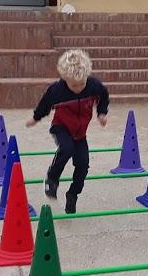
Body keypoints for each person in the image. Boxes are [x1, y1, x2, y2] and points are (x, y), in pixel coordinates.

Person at [26, 49, 110, 215]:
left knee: (83, 164)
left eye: (81, 84)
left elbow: (104, 97)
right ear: (65, 79)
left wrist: (102, 113)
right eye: (73, 85)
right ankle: (52, 180)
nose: (78, 89)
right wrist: (35, 118)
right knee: (67, 149)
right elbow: (45, 104)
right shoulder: (57, 90)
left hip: (80, 134)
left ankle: (73, 194)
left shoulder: (94, 86)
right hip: (61, 127)